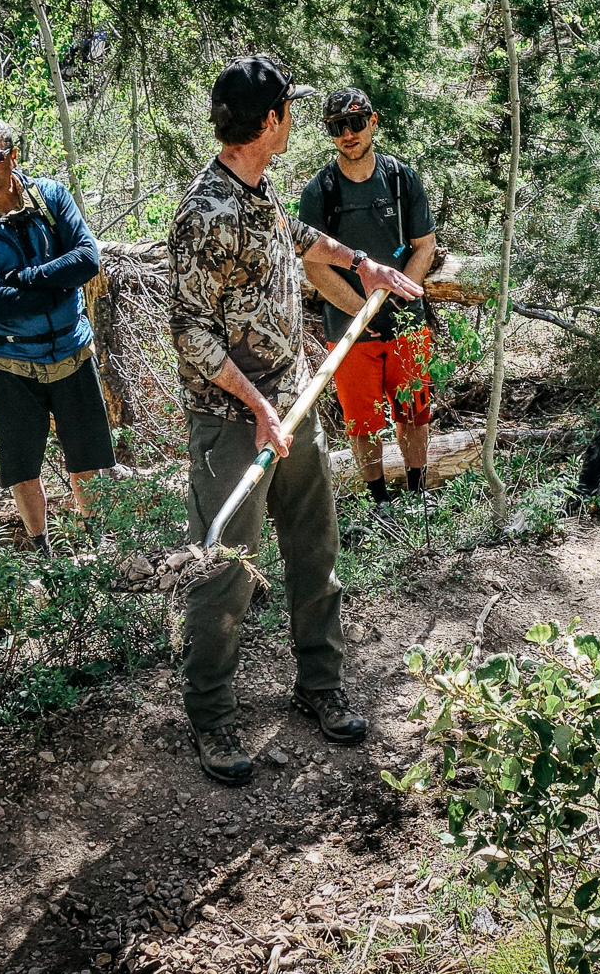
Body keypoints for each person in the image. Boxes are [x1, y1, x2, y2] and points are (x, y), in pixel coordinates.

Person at [170, 55, 424, 785]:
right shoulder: (205, 211)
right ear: (269, 120)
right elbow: (191, 333)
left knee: (315, 550)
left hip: (296, 403)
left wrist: (364, 265)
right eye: (290, 108)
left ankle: (319, 684)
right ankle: (213, 715)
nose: (296, 120)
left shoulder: (258, 190)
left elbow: (298, 234)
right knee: (225, 573)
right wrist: (256, 409)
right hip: (233, 425)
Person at [0, 115, 114, 555]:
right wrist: (58, 284)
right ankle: (42, 548)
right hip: (10, 359)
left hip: (72, 351)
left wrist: (26, 276)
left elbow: (88, 260)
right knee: (22, 465)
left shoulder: (51, 197)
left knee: (88, 457)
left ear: (12, 155)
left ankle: (94, 545)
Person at [297, 88, 438, 510]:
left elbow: (424, 245)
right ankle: (380, 502)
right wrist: (360, 310)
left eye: (356, 123)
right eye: (338, 127)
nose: (348, 134)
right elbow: (313, 266)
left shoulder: (401, 179)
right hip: (348, 326)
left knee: (415, 409)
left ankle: (417, 493)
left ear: (373, 123)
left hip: (407, 319)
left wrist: (398, 295)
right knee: (361, 421)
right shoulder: (319, 191)